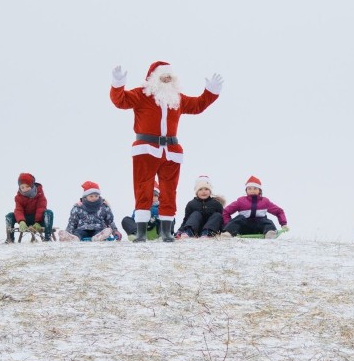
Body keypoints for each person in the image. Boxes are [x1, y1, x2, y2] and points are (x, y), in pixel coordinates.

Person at [110, 61, 223, 243]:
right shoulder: (141, 95)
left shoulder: (177, 99)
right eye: (163, 76)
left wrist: (211, 92)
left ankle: (166, 232)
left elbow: (198, 105)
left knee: (169, 191)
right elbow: (120, 100)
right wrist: (117, 83)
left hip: (171, 151)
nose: (167, 79)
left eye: (170, 76)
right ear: (153, 78)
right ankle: (141, 233)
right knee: (143, 189)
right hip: (146, 149)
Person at [222, 176, 290, 239]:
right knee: (240, 218)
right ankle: (228, 233)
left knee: (266, 221)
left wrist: (283, 224)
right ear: (246, 190)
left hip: (259, 228)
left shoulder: (265, 201)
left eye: (255, 188)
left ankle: (270, 233)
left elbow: (279, 211)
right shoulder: (241, 201)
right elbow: (226, 211)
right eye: (249, 188)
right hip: (244, 228)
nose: (252, 190)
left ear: (259, 190)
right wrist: (228, 223)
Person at [5, 172, 52, 243]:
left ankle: (47, 238)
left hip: (38, 220)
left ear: (32, 185)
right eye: (22, 187)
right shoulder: (18, 197)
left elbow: (41, 208)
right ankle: (10, 239)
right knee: (10, 216)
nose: (25, 189)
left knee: (48, 212)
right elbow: (18, 210)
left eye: (27, 186)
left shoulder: (39, 194)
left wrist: (38, 222)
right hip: (25, 219)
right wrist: (21, 221)